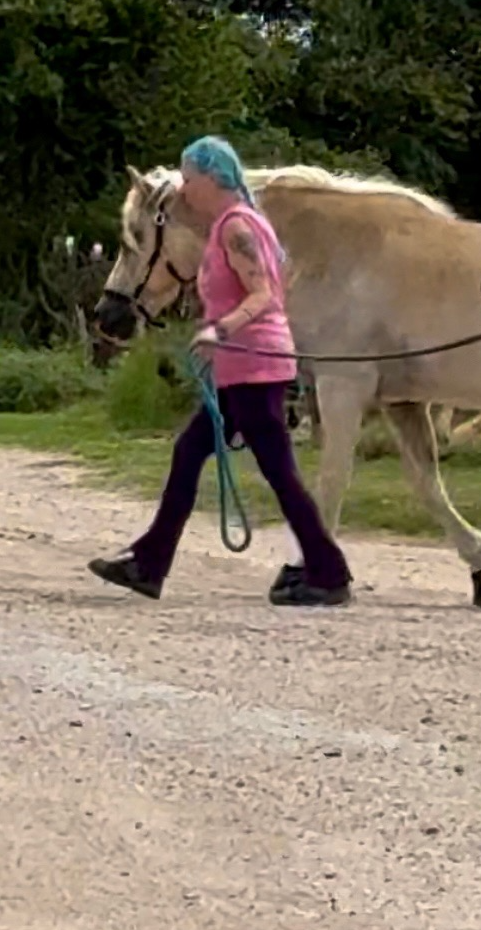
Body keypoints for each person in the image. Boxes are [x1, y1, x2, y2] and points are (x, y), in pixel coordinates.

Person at [89, 135, 353, 607]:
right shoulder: (236, 224)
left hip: (255, 367)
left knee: (279, 474)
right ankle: (149, 563)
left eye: (190, 179)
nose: (185, 189)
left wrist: (220, 330)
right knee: (191, 454)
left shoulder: (237, 227)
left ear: (213, 179)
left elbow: (264, 294)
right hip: (243, 367)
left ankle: (329, 573)